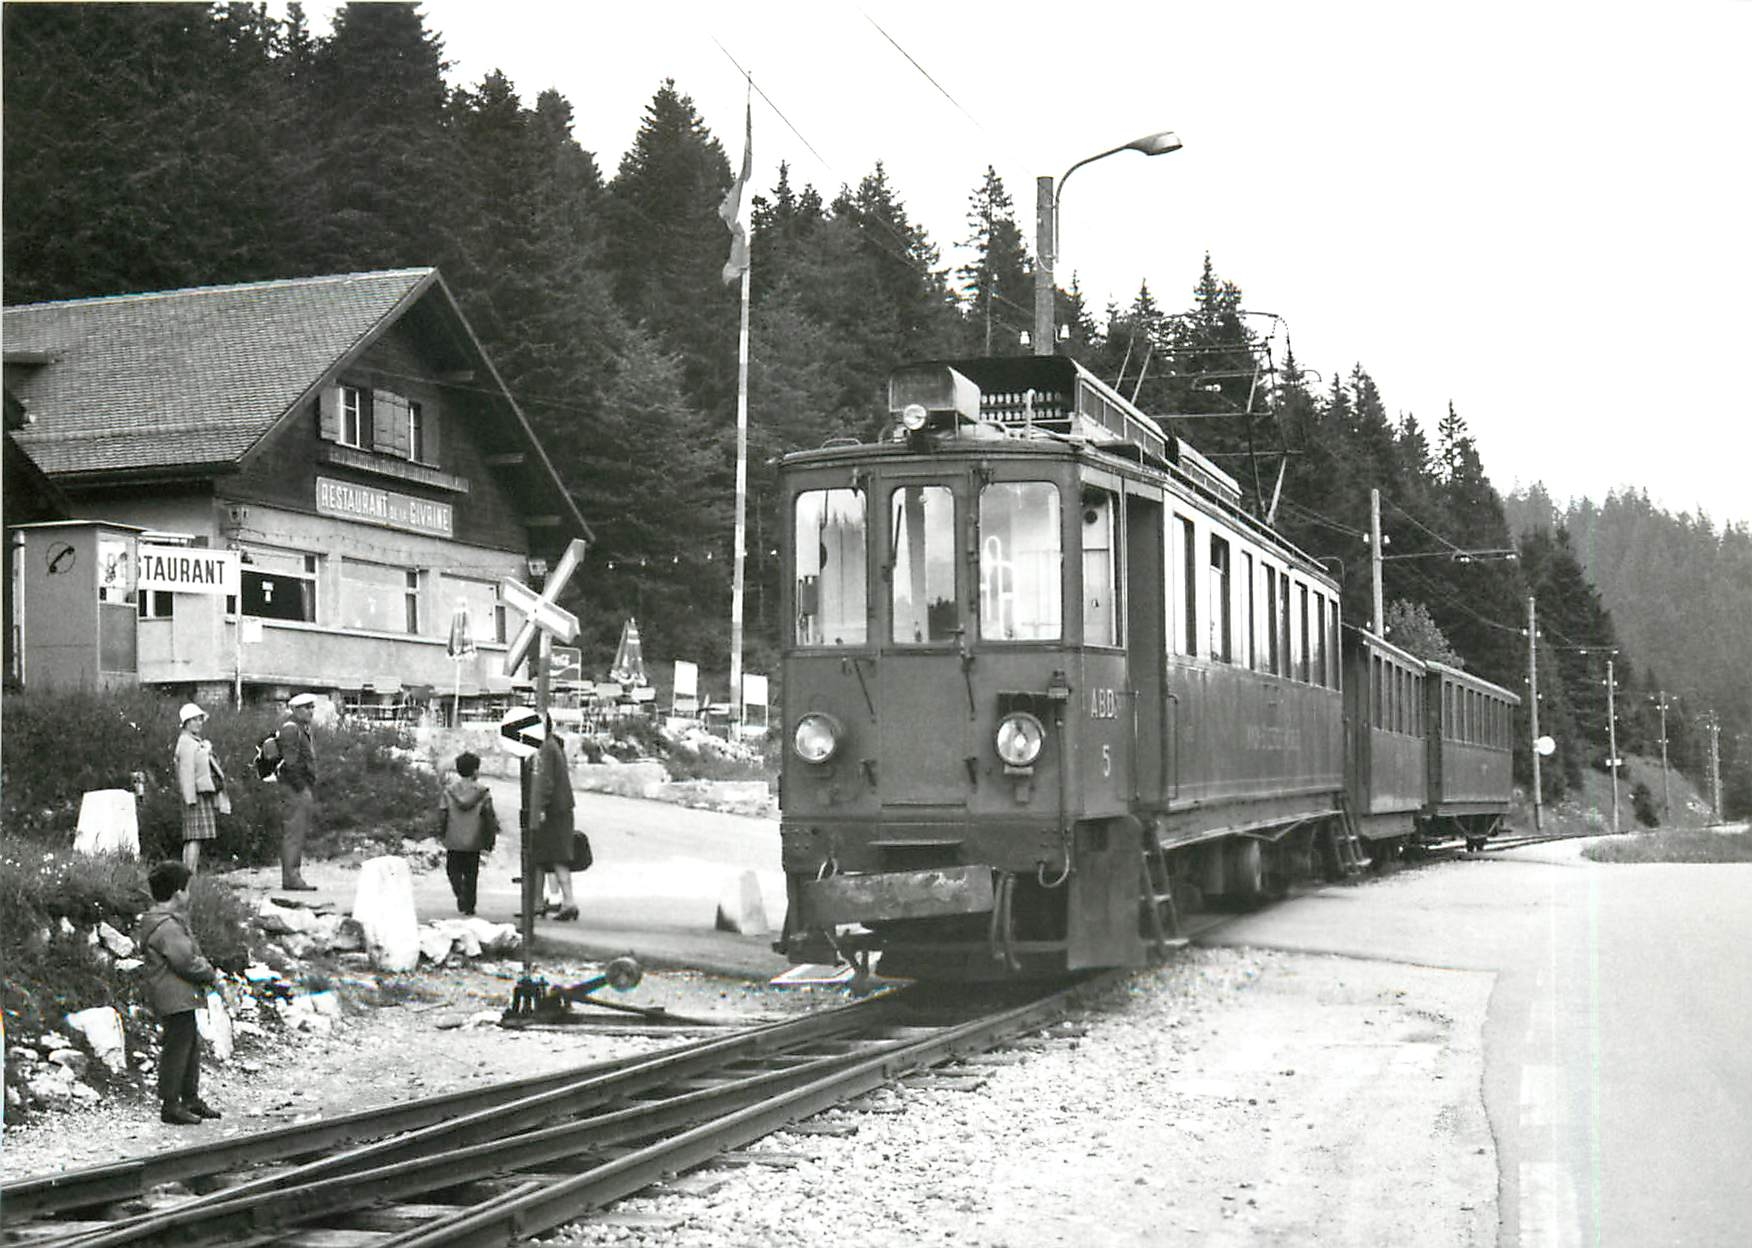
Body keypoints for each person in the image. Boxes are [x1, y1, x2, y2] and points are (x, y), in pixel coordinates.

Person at [136, 860, 221, 1126]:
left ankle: (190, 1098)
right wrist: (209, 972)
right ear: (177, 893)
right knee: (177, 1048)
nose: (189, 894)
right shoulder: (167, 926)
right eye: (187, 889)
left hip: (178, 997)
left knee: (189, 1045)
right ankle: (171, 1104)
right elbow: (185, 961)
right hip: (174, 997)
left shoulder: (165, 922)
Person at [528, 717, 578, 921]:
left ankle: (563, 901)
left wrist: (539, 807)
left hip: (551, 810)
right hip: (560, 808)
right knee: (548, 856)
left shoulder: (545, 749)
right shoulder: (552, 745)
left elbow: (544, 780)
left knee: (549, 855)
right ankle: (543, 902)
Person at [438, 751, 496, 916]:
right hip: (474, 839)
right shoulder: (483, 792)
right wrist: (490, 838)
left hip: (453, 838)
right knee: (472, 873)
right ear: (475, 771)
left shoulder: (449, 792)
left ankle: (460, 892)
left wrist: (442, 832)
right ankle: (470, 904)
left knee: (453, 870)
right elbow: (489, 817)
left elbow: (443, 814)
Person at [174, 703, 226, 874]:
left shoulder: (194, 742)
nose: (199, 723)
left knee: (195, 837)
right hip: (195, 795)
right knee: (194, 837)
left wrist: (207, 750)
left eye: (200, 719)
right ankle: (189, 874)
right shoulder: (186, 743)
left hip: (200, 794)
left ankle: (188, 874)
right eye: (194, 720)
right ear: (186, 723)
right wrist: (190, 798)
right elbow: (186, 772)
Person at [275, 693, 320, 892]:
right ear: (295, 709)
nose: (311, 711)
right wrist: (301, 787)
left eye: (312, 707)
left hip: (297, 787)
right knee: (294, 832)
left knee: (296, 831)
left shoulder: (299, 728)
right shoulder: (291, 729)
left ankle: (292, 876)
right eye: (306, 707)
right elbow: (290, 763)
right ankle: (292, 877)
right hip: (294, 788)